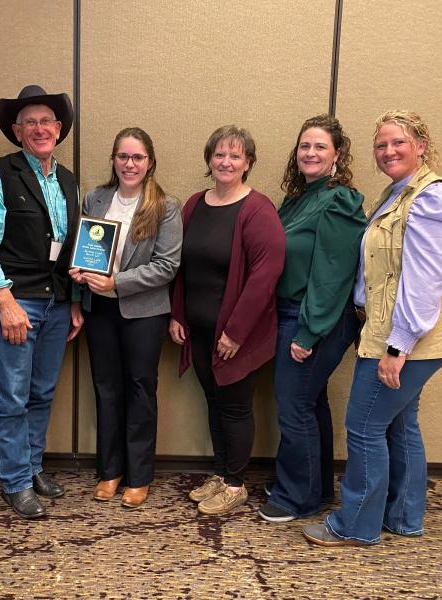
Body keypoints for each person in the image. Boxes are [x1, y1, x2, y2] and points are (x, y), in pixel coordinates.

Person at [303, 110, 442, 546]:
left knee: (363, 426)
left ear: (421, 145)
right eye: (381, 145)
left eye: (398, 142)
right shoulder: (398, 194)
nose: (389, 150)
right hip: (394, 332)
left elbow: (424, 280)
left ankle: (355, 525)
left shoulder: (432, 198)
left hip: (404, 337)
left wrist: (398, 347)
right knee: (400, 424)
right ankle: (403, 516)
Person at [0, 85, 83, 519]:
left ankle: (33, 467)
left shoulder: (69, 179)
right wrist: (5, 301)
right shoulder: (0, 173)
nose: (40, 129)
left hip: (56, 304)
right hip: (18, 303)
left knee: (42, 392)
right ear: (18, 132)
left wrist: (74, 301)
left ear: (59, 129)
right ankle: (14, 481)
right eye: (30, 122)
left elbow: (71, 246)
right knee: (12, 396)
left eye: (47, 121)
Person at [169, 125, 285, 516]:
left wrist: (235, 333)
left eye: (235, 156)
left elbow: (265, 276)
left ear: (248, 163)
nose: (226, 162)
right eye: (220, 154)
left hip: (236, 334)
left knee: (234, 407)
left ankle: (236, 484)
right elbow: (180, 267)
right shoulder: (194, 204)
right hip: (197, 329)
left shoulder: (257, 210)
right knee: (214, 402)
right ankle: (221, 473)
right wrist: (178, 315)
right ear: (209, 159)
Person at [258, 115, 366, 523]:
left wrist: (309, 331)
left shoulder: (339, 199)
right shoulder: (300, 197)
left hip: (316, 317)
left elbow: (333, 272)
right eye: (305, 146)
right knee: (310, 402)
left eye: (320, 146)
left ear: (337, 155)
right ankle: (315, 488)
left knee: (294, 407)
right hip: (294, 312)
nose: (310, 153)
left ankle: (295, 498)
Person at [70, 127, 182, 509]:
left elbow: (166, 267)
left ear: (150, 162)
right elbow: (83, 251)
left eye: (137, 157)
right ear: (113, 160)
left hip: (143, 313)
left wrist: (116, 282)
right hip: (98, 310)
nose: (129, 164)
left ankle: (138, 475)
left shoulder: (165, 207)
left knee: (139, 391)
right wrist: (79, 274)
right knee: (106, 389)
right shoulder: (95, 198)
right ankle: (110, 470)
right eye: (123, 156)